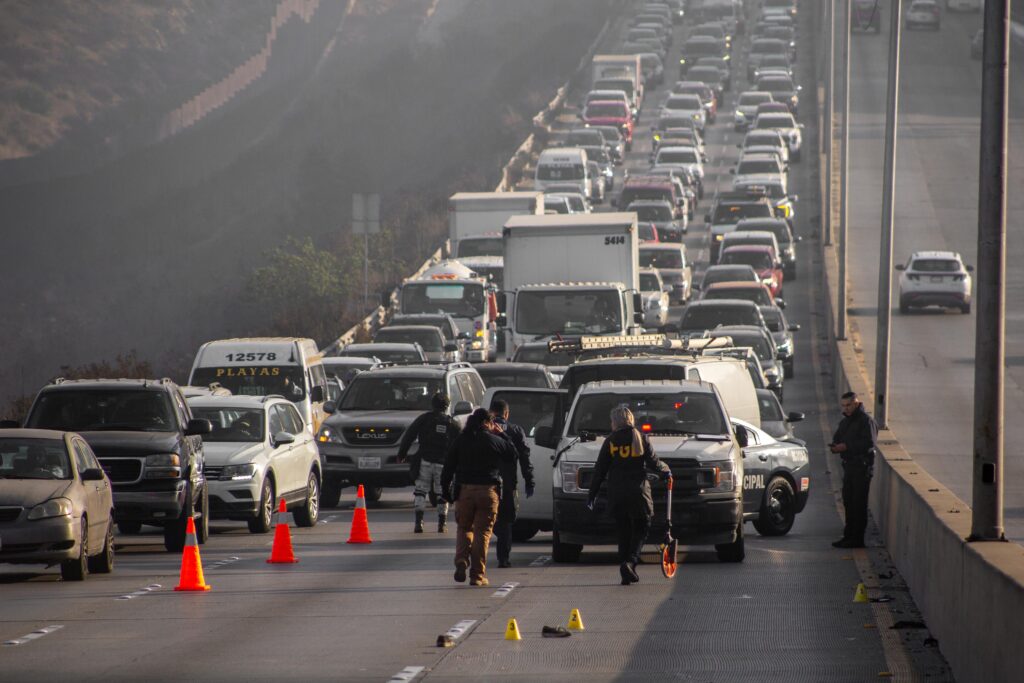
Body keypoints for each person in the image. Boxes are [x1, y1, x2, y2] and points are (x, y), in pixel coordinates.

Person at [587, 405, 671, 585]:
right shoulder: (641, 438)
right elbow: (655, 464)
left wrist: (591, 494)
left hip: (617, 494)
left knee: (623, 531)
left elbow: (600, 470)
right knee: (642, 527)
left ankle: (625, 568)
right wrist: (667, 471)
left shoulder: (610, 441)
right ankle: (630, 562)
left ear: (615, 422)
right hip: (639, 494)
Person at [441, 408, 515, 587]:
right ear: (487, 423)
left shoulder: (461, 440)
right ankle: (477, 576)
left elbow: (448, 466)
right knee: (482, 533)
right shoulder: (494, 440)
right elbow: (513, 454)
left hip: (465, 491)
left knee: (464, 527)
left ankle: (461, 560)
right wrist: (503, 434)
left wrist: (445, 491)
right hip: (488, 492)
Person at [397, 392, 461, 533]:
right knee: (442, 493)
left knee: (420, 491)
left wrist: (402, 454)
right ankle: (441, 524)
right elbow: (461, 445)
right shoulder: (453, 424)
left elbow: (409, 436)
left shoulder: (424, 419)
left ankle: (418, 522)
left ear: (432, 405)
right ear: (447, 406)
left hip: (424, 461)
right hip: (443, 464)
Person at [489, 399, 536, 568]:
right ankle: (503, 558)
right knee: (507, 521)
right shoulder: (516, 430)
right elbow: (525, 458)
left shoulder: (484, 429)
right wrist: (529, 480)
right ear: (507, 414)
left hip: (485, 482)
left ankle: (477, 555)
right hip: (509, 484)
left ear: (491, 412)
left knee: (486, 519)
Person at [830, 391, 878, 549]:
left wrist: (847, 446)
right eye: (843, 406)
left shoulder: (866, 421)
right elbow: (838, 438)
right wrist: (836, 447)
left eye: (849, 405)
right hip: (849, 467)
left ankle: (857, 539)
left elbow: (869, 443)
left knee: (858, 504)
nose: (846, 409)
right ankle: (848, 536)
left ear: (856, 403)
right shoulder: (845, 422)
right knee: (849, 502)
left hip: (861, 468)